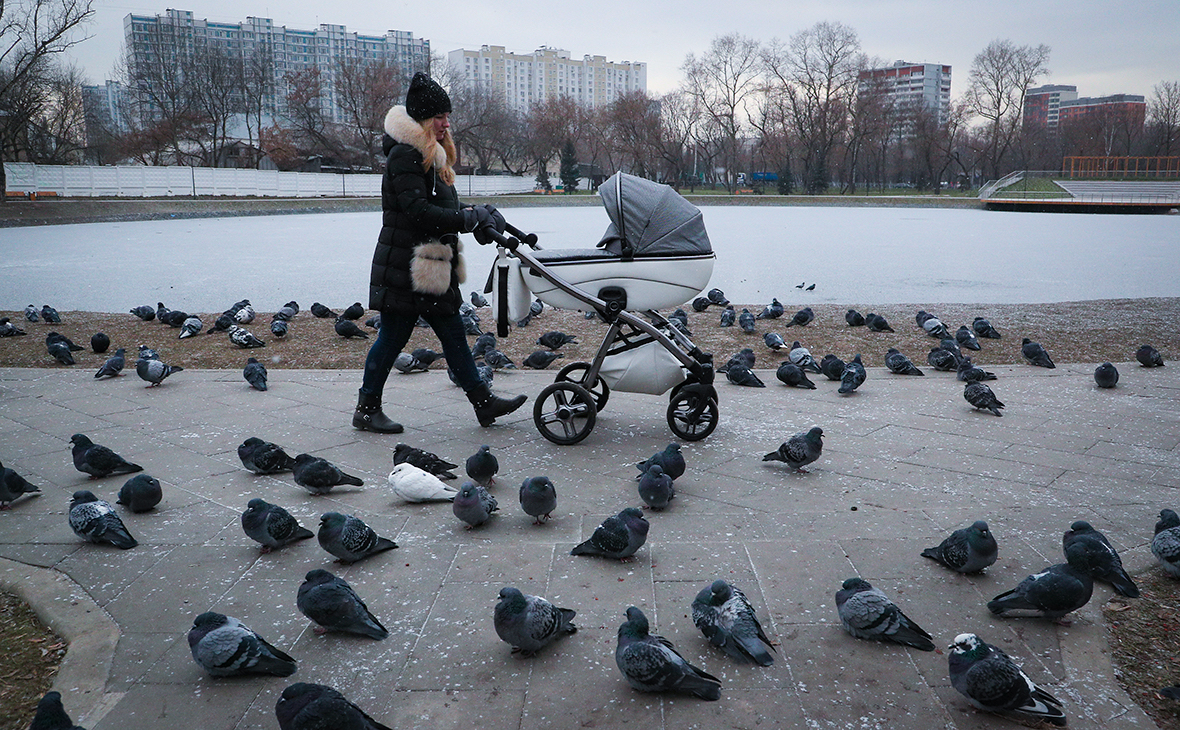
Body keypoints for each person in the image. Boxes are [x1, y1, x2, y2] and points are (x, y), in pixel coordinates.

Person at [354, 72, 526, 432]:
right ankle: (367, 410)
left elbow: (443, 206)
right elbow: (419, 213)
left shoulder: (432, 155)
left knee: (451, 332)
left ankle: (483, 404)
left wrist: (477, 214)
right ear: (422, 119)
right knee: (392, 339)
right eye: (439, 117)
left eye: (447, 116)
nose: (446, 123)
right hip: (406, 266)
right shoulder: (405, 156)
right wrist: (465, 219)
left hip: (431, 265)